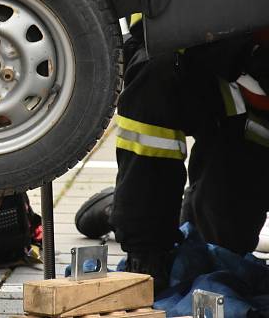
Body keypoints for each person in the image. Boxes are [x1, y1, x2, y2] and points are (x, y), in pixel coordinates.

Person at [74, 19, 269, 294]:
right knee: (155, 72)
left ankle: (152, 209)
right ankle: (145, 243)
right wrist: (242, 55)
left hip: (254, 121)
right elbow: (151, 18)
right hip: (208, 66)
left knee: (226, 246)